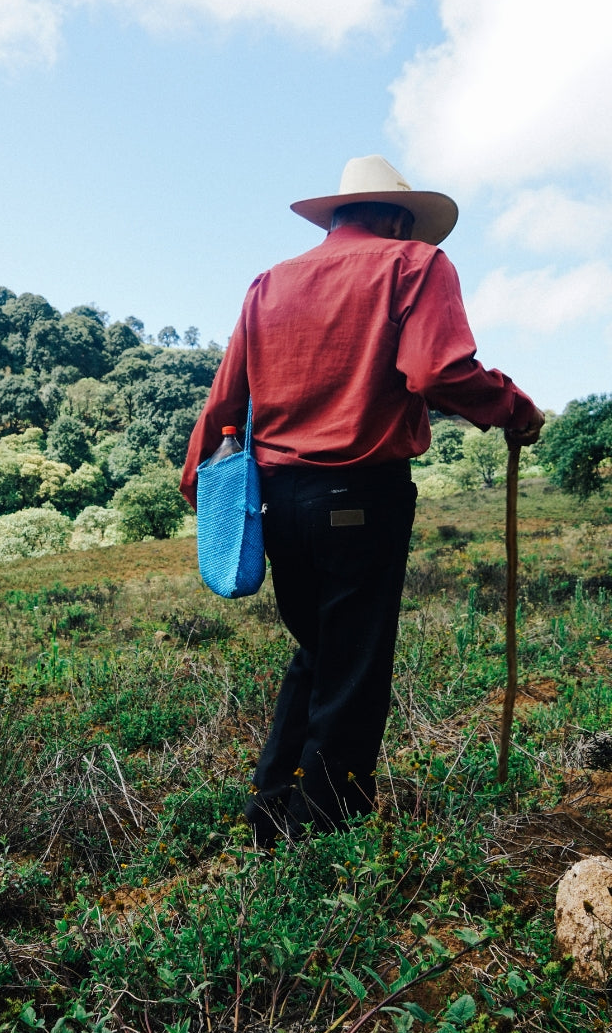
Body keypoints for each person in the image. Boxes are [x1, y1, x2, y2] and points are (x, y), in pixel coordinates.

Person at [180, 155, 544, 847]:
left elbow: (228, 393)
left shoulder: (270, 282)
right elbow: (436, 369)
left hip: (275, 500)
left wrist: (199, 475)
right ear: (400, 217)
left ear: (339, 215)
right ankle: (323, 836)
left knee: (319, 652)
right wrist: (511, 409)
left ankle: (271, 815)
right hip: (360, 496)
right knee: (353, 666)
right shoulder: (415, 264)